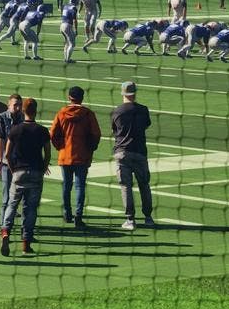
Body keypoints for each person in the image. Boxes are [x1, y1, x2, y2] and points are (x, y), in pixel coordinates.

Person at [0, 97, 49, 256]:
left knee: (12, 204)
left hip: (19, 172)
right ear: (36, 110)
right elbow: (47, 153)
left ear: (23, 110)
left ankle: (6, 231)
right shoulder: (42, 130)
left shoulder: (15, 129)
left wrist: (13, 169)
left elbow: (7, 153)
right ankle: (26, 243)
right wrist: (43, 167)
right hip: (35, 172)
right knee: (30, 208)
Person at [49, 86, 102, 225]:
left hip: (65, 155)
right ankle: (78, 216)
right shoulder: (88, 114)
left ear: (69, 97)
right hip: (82, 156)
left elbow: (53, 134)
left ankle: (67, 214)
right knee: (80, 187)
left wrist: (60, 146)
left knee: (67, 186)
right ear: (82, 98)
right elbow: (96, 134)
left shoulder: (61, 113)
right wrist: (90, 148)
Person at [111, 81, 154, 231]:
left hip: (122, 151)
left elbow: (115, 130)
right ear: (135, 93)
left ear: (122, 93)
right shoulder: (143, 110)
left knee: (125, 187)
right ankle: (148, 217)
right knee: (144, 185)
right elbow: (146, 125)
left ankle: (130, 219)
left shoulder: (118, 111)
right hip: (140, 151)